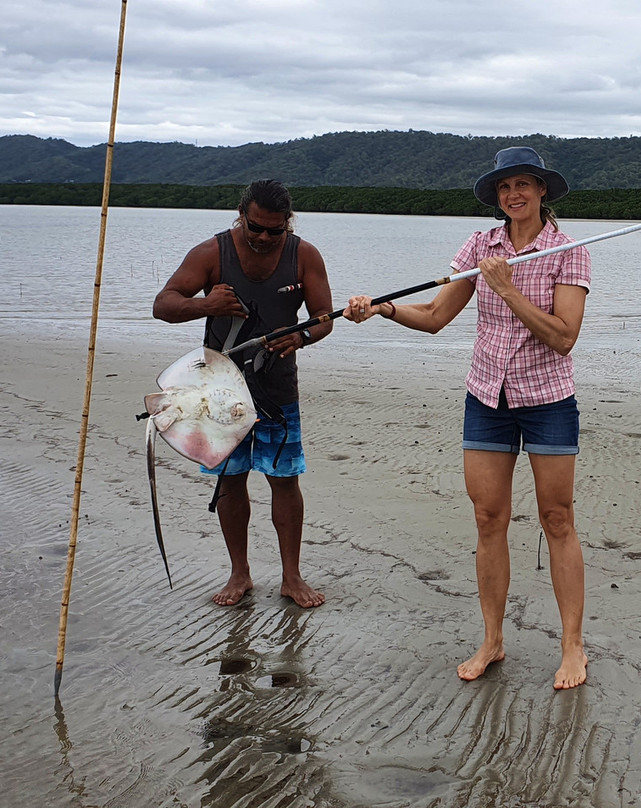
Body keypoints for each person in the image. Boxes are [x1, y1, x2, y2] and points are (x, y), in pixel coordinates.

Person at [344, 147, 591, 689]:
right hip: (488, 398)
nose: (513, 196)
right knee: (487, 519)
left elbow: (564, 337)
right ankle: (492, 639)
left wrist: (504, 288)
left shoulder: (568, 251)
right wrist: (384, 309)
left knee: (557, 520)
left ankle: (573, 646)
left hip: (548, 398)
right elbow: (434, 316)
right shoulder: (481, 245)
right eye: (504, 189)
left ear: (542, 190)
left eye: (523, 185)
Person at [153, 178, 333, 609]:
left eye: (276, 230)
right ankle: (240, 573)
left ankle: (292, 576)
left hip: (277, 390)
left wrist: (302, 338)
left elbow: (324, 317)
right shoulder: (211, 253)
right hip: (218, 392)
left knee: (284, 481)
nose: (265, 238)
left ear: (288, 224)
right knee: (230, 481)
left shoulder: (303, 254)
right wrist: (205, 305)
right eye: (256, 228)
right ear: (242, 216)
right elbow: (163, 305)